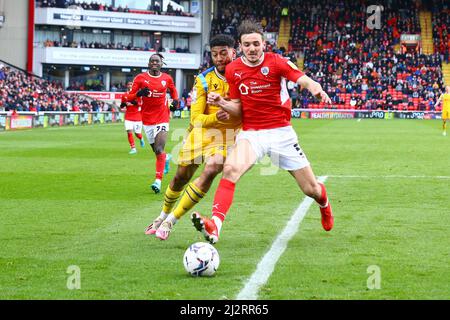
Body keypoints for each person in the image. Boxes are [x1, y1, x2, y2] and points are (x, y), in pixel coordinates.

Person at [191, 20, 334, 244]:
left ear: (264, 43)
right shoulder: (233, 69)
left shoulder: (277, 62)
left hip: (281, 134)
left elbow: (302, 78)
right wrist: (221, 102)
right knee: (230, 169)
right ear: (240, 46)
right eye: (247, 45)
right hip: (252, 134)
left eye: (256, 44)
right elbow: (237, 107)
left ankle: (324, 204)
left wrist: (317, 89)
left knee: (311, 189)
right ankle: (215, 225)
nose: (252, 49)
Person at [144, 34, 241, 240]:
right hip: (202, 134)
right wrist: (216, 116)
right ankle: (161, 216)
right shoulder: (203, 79)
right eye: (215, 54)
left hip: (228, 137)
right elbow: (196, 118)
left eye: (224, 53)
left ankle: (171, 221)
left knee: (213, 168)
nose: (220, 58)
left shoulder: (243, 76)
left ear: (234, 52)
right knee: (180, 178)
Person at [127, 53, 179, 193]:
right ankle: (166, 158)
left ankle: (158, 181)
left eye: (157, 61)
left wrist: (175, 102)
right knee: (157, 152)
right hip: (147, 119)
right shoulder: (140, 78)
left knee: (159, 149)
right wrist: (139, 93)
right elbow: (129, 96)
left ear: (161, 63)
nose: (154, 63)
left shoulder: (166, 78)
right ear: (149, 63)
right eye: (152, 61)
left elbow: (174, 92)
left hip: (162, 117)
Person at [120, 82, 145, 154]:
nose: (130, 85)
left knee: (137, 134)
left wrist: (134, 103)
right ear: (126, 86)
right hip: (128, 117)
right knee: (129, 132)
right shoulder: (124, 95)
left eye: (131, 84)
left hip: (137, 117)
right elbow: (121, 106)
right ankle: (133, 148)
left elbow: (141, 104)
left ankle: (141, 138)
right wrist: (123, 104)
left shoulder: (138, 94)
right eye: (128, 84)